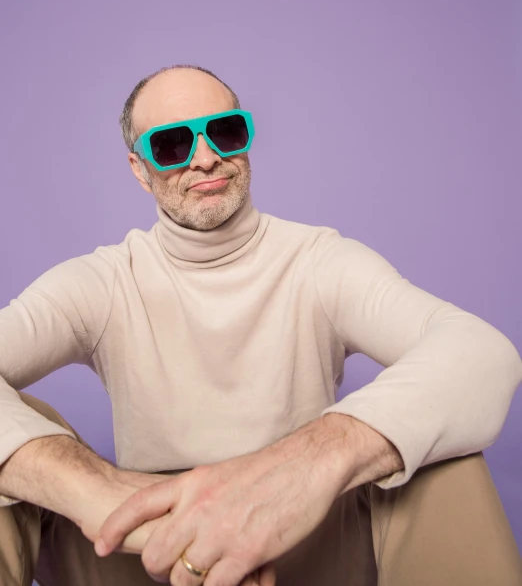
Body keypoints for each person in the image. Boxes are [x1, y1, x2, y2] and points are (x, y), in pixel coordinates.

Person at [0, 64, 520, 586]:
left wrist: (304, 467)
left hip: (308, 544)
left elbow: (481, 351)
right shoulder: (104, 282)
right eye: (172, 144)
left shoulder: (318, 261)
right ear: (139, 169)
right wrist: (103, 491)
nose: (206, 157)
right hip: (143, 551)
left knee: (438, 449)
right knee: (14, 466)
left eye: (225, 130)